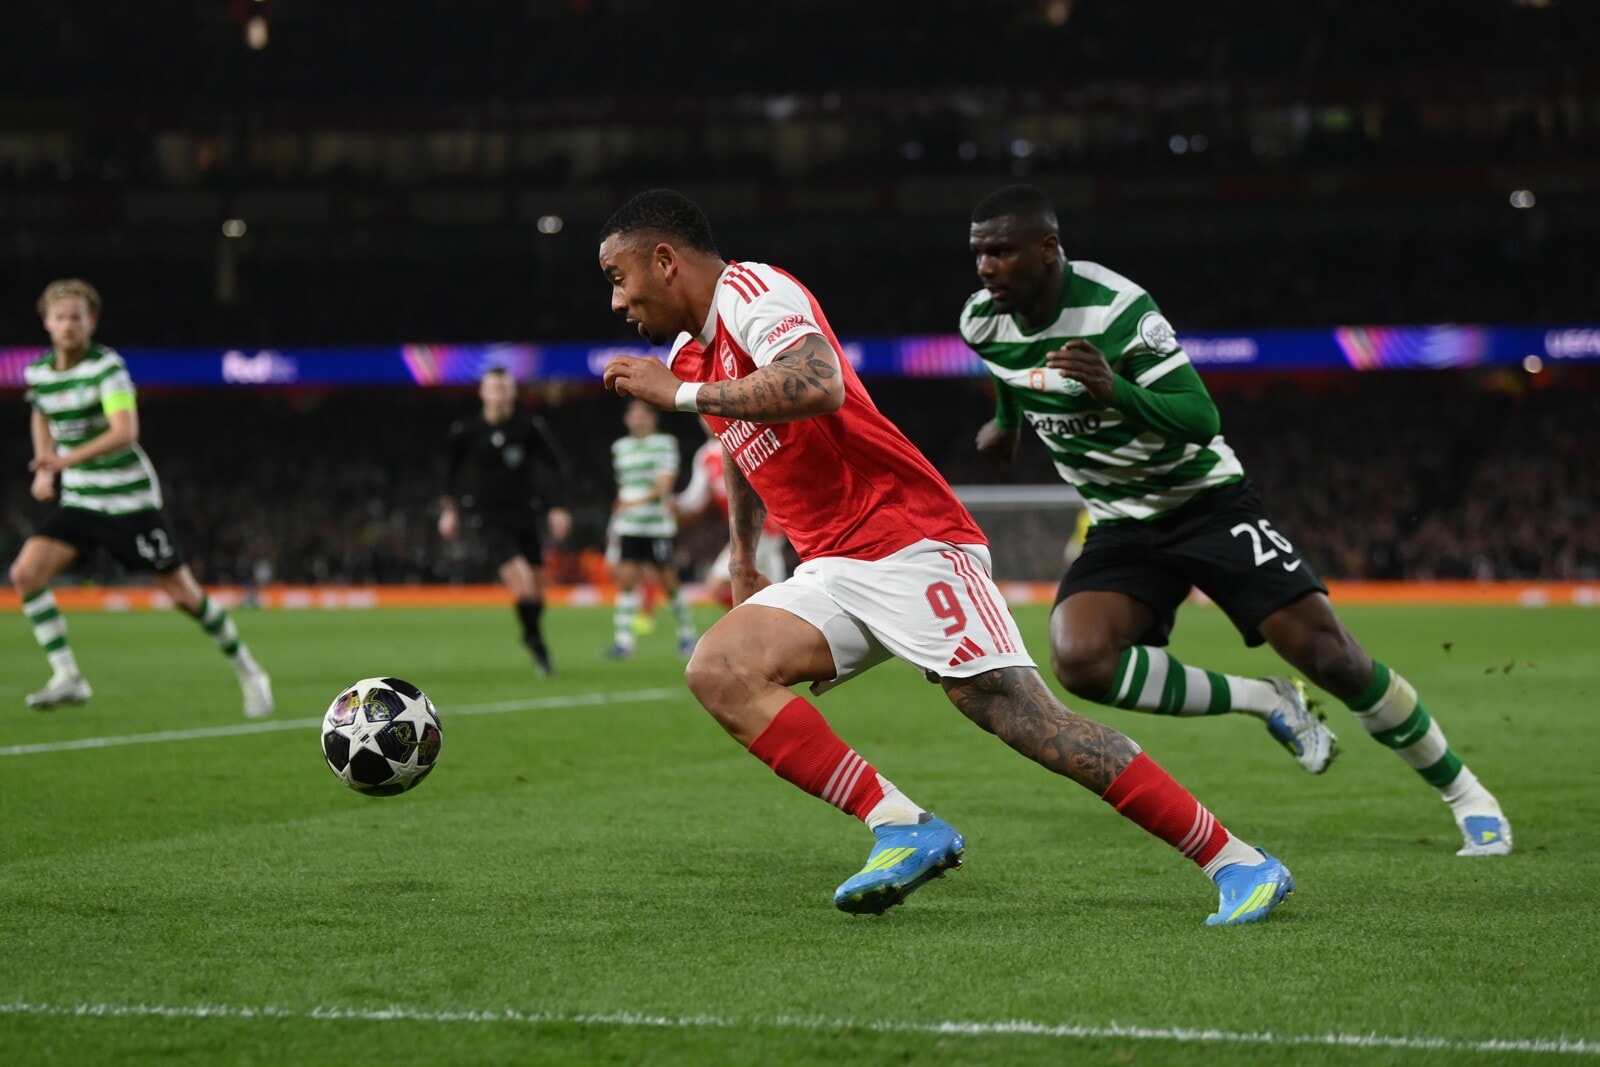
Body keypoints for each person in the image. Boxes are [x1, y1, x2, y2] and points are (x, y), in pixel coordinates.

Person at [599, 187, 1293, 924]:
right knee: (720, 669)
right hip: (830, 564)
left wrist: (682, 396)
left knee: (1024, 718)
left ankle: (1238, 861)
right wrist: (743, 553)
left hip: (908, 540)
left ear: (665, 261)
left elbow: (817, 383)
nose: (617, 301)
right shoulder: (690, 352)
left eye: (618, 277)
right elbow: (735, 436)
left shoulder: (753, 292)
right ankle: (903, 825)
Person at [959, 183, 1511, 857]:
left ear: (1048, 249)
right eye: (979, 253)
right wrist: (1007, 424)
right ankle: (1264, 698)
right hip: (1120, 520)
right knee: (1081, 660)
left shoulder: (1117, 309)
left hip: (1207, 503)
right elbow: (1011, 372)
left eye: (1002, 252)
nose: (986, 267)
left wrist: (1115, 390)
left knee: (1331, 656)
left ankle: (1467, 796)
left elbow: (1201, 418)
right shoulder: (981, 321)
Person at [11, 279, 274, 717]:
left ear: (92, 322)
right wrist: (44, 467)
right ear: (47, 323)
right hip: (82, 500)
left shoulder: (107, 368)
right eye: (60, 317)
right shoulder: (38, 372)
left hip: (129, 501)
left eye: (77, 317)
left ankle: (250, 671)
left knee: (184, 596)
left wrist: (64, 459)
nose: (68, 325)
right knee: (26, 573)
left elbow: (125, 431)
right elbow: (41, 413)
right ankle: (68, 676)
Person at [438, 366, 573, 676]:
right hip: (487, 518)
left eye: (504, 389)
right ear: (483, 393)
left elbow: (557, 465)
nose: (499, 395)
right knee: (523, 585)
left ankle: (532, 634)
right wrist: (449, 509)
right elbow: (447, 471)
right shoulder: (467, 431)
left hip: (525, 513)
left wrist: (558, 507)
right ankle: (537, 643)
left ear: (513, 393)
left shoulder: (528, 427)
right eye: (494, 389)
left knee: (538, 590)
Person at [605, 397, 697, 659]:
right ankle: (624, 641)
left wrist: (634, 502)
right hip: (629, 525)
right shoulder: (620, 448)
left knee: (668, 582)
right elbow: (622, 486)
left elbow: (664, 485)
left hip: (657, 526)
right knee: (626, 580)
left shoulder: (665, 444)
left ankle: (687, 634)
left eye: (643, 415)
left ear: (653, 418)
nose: (638, 420)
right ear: (626, 419)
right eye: (634, 415)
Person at [677, 416, 791, 608]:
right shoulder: (705, 456)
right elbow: (696, 499)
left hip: (760, 527)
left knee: (715, 586)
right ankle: (760, 620)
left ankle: (744, 618)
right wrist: (675, 504)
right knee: (774, 596)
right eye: (703, 415)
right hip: (747, 531)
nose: (708, 420)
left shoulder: (745, 445)